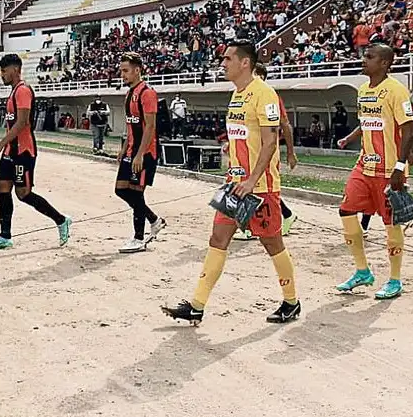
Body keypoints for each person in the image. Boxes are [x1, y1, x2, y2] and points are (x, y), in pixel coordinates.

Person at [161, 42, 301, 325]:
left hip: (259, 188)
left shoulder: (265, 94)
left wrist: (252, 179)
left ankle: (291, 302)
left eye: (227, 58)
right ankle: (197, 305)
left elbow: (270, 141)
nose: (222, 63)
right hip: (234, 183)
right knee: (217, 239)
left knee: (272, 243)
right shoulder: (237, 95)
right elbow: (243, 134)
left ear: (245, 62)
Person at [334, 44, 413, 299]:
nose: (364, 60)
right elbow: (367, 123)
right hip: (364, 164)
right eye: (364, 56)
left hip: (388, 169)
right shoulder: (362, 91)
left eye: (370, 57)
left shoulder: (396, 90)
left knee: (391, 224)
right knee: (346, 210)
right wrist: (349, 139)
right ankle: (362, 271)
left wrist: (401, 166)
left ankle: (394, 280)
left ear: (385, 63)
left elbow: (409, 129)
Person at [0, 54, 72, 250]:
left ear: (15, 70)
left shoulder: (23, 91)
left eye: (4, 71)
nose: (2, 75)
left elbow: (22, 122)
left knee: (23, 193)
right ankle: (5, 236)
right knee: (3, 189)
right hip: (10, 151)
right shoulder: (13, 92)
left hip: (23, 152)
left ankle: (61, 220)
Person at [235, 63, 298, 238]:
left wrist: (291, 153)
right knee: (251, 187)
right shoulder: (245, 95)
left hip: (264, 152)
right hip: (248, 151)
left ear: (261, 76)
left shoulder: (269, 95)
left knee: (260, 188)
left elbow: (285, 125)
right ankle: (283, 216)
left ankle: (253, 227)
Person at [114, 52, 166, 254]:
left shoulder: (148, 93)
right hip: (132, 150)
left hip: (145, 152)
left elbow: (150, 126)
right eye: (121, 71)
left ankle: (138, 238)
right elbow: (131, 125)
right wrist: (125, 148)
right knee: (120, 189)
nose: (122, 75)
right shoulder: (129, 93)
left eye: (125, 71)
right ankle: (154, 220)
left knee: (136, 192)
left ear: (137, 70)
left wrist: (139, 154)